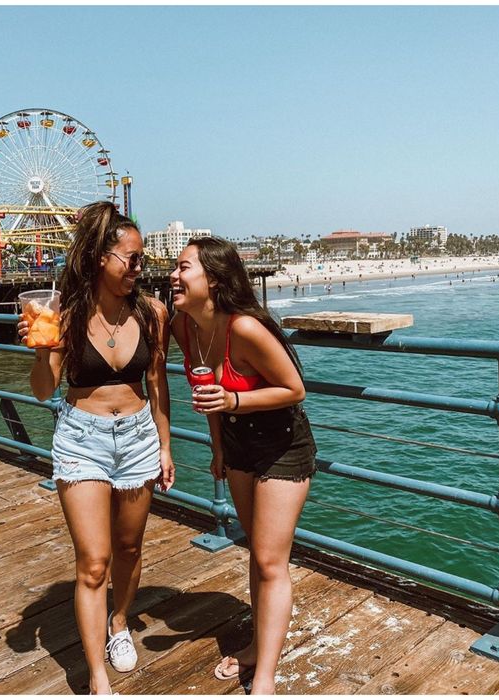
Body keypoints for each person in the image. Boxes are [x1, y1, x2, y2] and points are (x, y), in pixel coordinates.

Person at [22, 201, 173, 695]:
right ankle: (98, 676)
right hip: (82, 439)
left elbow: (158, 385)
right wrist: (43, 349)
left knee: (129, 546)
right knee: (93, 562)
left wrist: (165, 448)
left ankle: (119, 623)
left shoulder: (152, 313)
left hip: (137, 439)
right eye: (131, 258)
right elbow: (44, 390)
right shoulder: (63, 314)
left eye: (141, 258)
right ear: (101, 258)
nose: (139, 267)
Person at [170, 237, 318, 694]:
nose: (173, 276)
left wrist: (234, 397)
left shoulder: (247, 329)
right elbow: (204, 391)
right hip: (236, 444)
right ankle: (257, 645)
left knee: (272, 561)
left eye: (183, 268)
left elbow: (295, 389)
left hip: (282, 445)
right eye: (174, 268)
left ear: (212, 279)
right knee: (257, 552)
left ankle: (266, 678)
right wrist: (218, 446)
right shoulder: (186, 326)